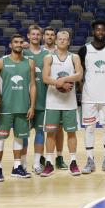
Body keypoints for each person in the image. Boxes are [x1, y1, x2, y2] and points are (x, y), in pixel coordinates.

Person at [78, 20, 105, 174]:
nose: (100, 32)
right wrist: (87, 86)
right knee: (89, 128)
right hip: (89, 96)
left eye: (103, 30)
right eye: (98, 30)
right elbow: (80, 72)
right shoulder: (84, 50)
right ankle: (90, 160)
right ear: (93, 32)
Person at [0, 34, 36, 181]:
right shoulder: (1, 62)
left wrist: (32, 106)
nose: (18, 44)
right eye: (15, 42)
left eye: (20, 42)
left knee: (19, 137)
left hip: (23, 106)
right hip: (5, 107)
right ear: (10, 45)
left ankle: (17, 167)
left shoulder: (30, 63)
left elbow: (32, 85)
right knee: (1, 137)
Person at [41, 30, 84, 177]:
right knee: (50, 133)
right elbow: (45, 78)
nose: (62, 41)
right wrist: (59, 83)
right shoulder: (49, 57)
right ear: (56, 40)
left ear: (69, 41)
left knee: (71, 133)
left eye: (65, 39)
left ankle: (73, 162)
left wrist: (65, 81)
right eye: (59, 39)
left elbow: (79, 75)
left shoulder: (75, 57)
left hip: (69, 103)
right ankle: (49, 163)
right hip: (52, 102)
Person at [23, 25, 49, 174]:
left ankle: (37, 162)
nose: (35, 36)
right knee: (24, 133)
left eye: (38, 34)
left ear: (41, 37)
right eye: (32, 34)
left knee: (40, 132)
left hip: (42, 99)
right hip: (24, 101)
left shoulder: (46, 55)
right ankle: (23, 163)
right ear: (28, 36)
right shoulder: (23, 52)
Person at [41, 26, 67, 169]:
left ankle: (59, 156)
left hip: (58, 95)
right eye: (47, 35)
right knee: (43, 128)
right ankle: (42, 157)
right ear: (43, 37)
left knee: (59, 128)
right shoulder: (38, 52)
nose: (50, 37)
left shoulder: (62, 53)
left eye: (52, 35)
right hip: (41, 94)